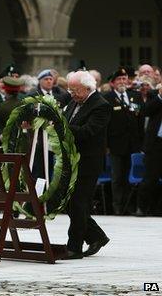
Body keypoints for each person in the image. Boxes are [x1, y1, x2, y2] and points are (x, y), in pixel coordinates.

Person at [63, 71, 111, 259]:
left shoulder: (101, 105)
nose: (71, 93)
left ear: (88, 88)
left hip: (88, 162)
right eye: (70, 89)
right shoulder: (75, 100)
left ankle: (73, 247)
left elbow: (87, 132)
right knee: (70, 203)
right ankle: (97, 236)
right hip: (72, 159)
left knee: (78, 202)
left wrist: (62, 126)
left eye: (75, 90)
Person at [102, 68, 144, 215]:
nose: (122, 82)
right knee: (117, 177)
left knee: (129, 177)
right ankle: (118, 206)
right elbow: (105, 124)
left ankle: (129, 206)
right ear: (113, 83)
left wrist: (140, 143)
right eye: (119, 79)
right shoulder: (107, 98)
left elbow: (140, 122)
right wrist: (106, 145)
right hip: (115, 145)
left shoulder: (135, 96)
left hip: (133, 144)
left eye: (124, 79)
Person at [136, 83, 162, 216]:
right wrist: (160, 96)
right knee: (150, 178)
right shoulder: (153, 94)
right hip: (156, 144)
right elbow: (145, 111)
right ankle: (142, 207)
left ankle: (158, 209)